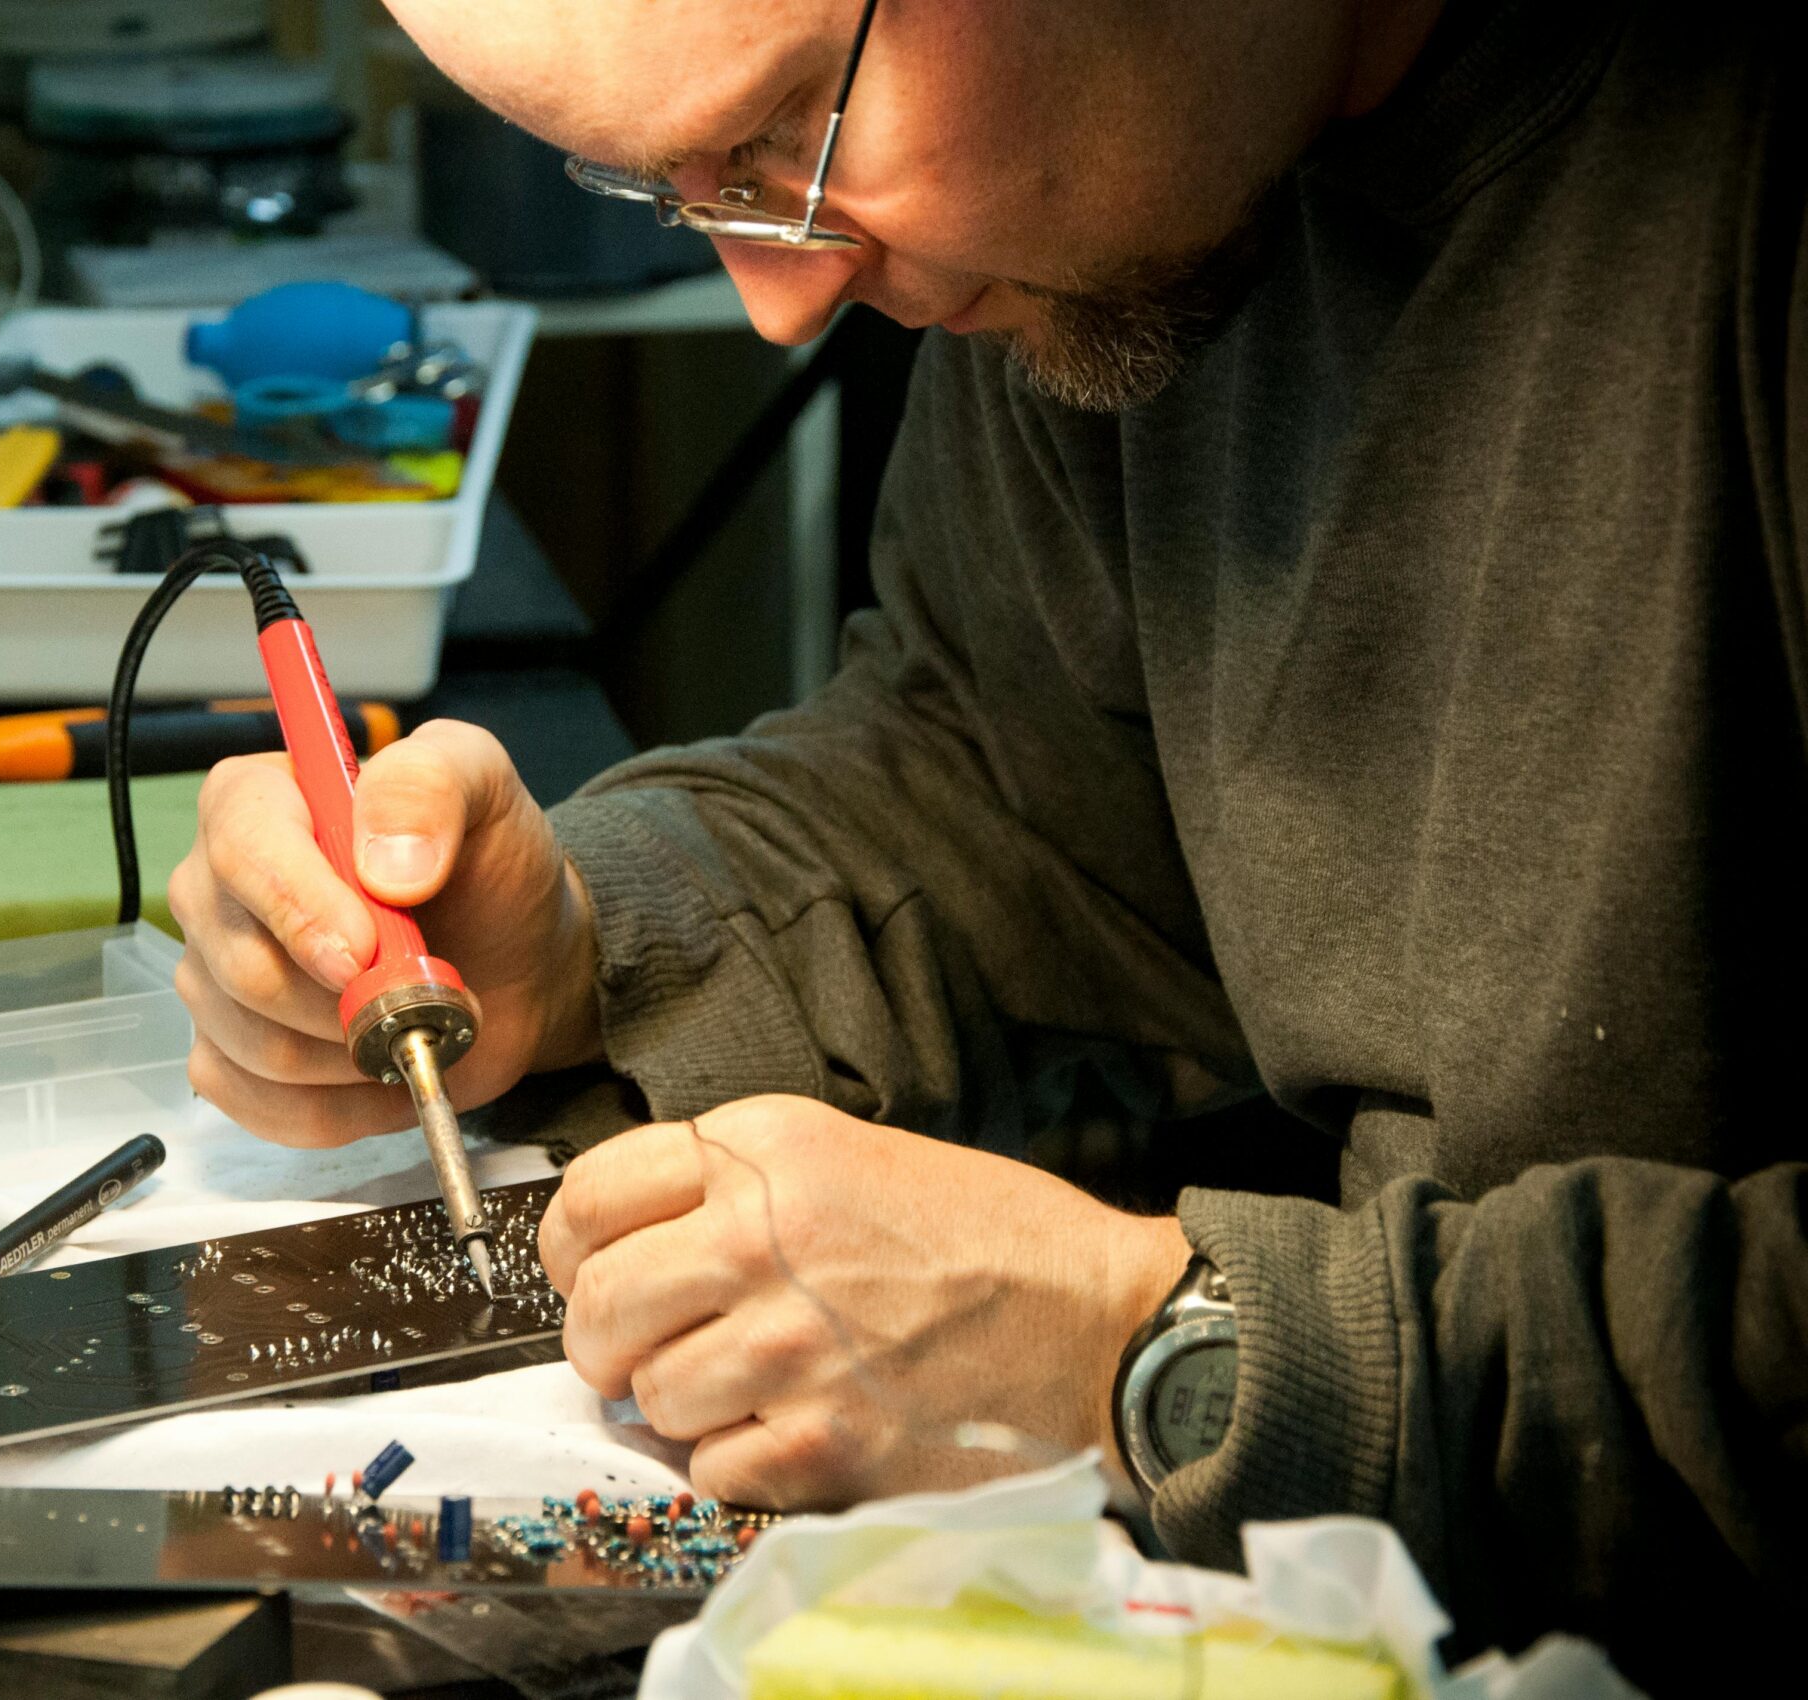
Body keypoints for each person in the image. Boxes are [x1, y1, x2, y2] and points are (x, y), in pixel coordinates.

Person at [167, 0, 1805, 1680]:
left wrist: (1154, 1349)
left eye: (786, 132)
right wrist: (595, 939)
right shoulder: (1124, 210)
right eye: (670, 188)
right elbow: (1025, 792)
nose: (778, 300)